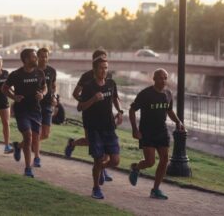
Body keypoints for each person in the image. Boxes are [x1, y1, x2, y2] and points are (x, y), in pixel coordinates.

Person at [128, 68, 185, 200]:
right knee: (150, 162)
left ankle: (155, 189)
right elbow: (132, 110)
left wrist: (178, 121)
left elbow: (169, 111)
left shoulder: (168, 94)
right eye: (160, 77)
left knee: (164, 159)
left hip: (161, 130)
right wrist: (135, 130)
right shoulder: (145, 94)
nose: (163, 80)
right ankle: (136, 168)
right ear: (154, 79)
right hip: (147, 132)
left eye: (165, 78)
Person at [65, 49, 114, 182]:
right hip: (90, 115)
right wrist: (87, 101)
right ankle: (72, 143)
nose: (104, 66)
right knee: (91, 142)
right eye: (100, 60)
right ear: (94, 62)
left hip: (105, 117)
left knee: (104, 144)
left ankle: (102, 170)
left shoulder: (108, 77)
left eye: (105, 60)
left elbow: (112, 95)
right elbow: (75, 93)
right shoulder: (86, 76)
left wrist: (118, 112)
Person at [77, 57, 123, 199]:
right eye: (102, 68)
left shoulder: (111, 83)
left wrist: (120, 112)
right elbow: (80, 107)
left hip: (109, 127)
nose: (104, 71)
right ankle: (96, 188)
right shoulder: (88, 86)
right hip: (94, 128)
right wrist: (93, 99)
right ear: (95, 69)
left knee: (115, 160)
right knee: (98, 159)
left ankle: (102, 169)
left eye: (106, 68)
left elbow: (115, 99)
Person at [2, 48, 46, 178]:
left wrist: (42, 94)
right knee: (28, 137)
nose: (36, 59)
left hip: (36, 110)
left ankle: (17, 147)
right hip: (22, 111)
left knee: (34, 139)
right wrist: (13, 97)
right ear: (26, 59)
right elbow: (4, 88)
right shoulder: (16, 74)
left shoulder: (40, 73)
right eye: (33, 57)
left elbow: (45, 86)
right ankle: (28, 168)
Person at [36, 47, 57, 167]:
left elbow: (53, 86)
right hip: (36, 104)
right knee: (37, 132)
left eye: (46, 56)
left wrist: (55, 97)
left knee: (46, 134)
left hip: (48, 103)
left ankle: (21, 145)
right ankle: (37, 157)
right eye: (42, 56)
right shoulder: (34, 70)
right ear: (38, 57)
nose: (44, 59)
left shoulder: (52, 71)